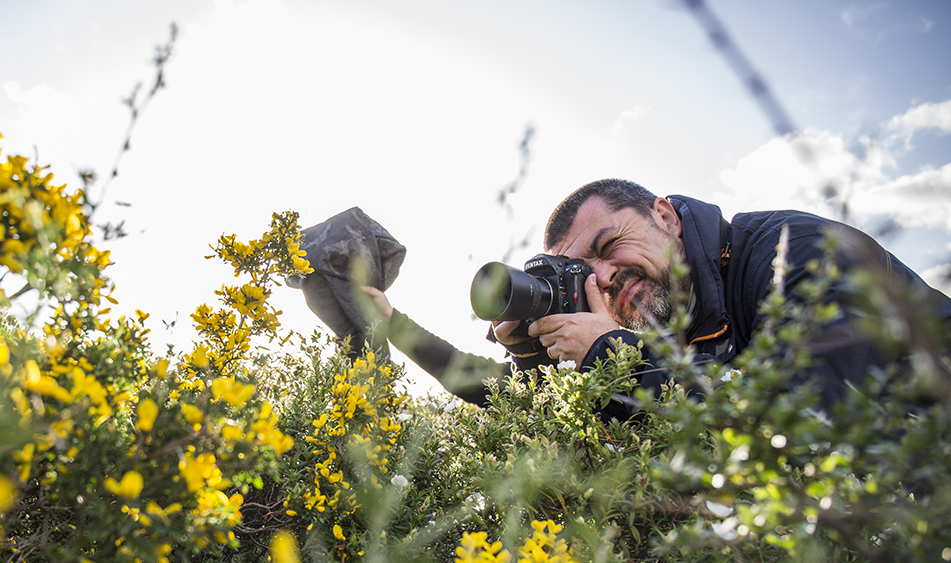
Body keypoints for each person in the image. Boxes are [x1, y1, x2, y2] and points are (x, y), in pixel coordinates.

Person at [363, 178, 951, 419]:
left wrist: (618, 359)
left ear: (665, 216)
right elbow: (514, 405)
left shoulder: (795, 251)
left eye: (611, 244)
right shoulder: (674, 320)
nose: (608, 278)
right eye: (584, 273)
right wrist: (529, 360)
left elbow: (804, 418)